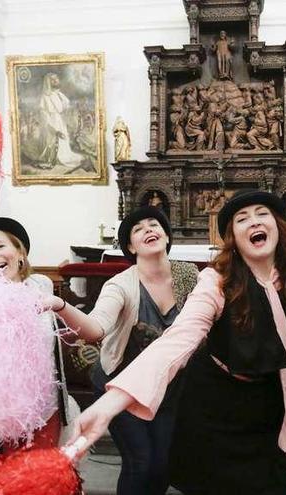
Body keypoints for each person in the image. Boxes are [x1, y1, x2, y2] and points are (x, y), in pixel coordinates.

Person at [73, 190, 286, 494]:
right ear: (233, 236)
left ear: (278, 224)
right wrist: (111, 403)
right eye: (242, 219)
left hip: (279, 410)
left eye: (262, 213)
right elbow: (178, 339)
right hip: (224, 416)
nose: (253, 222)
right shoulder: (216, 281)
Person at [65, 206, 198, 495]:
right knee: (141, 462)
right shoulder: (121, 285)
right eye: (139, 229)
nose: (149, 230)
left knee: (162, 464)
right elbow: (97, 326)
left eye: (154, 225)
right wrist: (61, 306)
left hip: (167, 387)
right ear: (129, 246)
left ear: (166, 235)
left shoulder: (188, 274)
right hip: (120, 384)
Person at [0, 215, 95, 469]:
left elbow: (87, 333)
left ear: (19, 252)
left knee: (39, 479)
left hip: (44, 410)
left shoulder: (40, 285)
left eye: (0, 246)